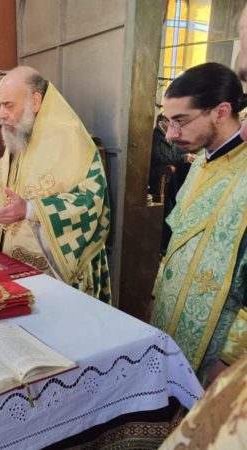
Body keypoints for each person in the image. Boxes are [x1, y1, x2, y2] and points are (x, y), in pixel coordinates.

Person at [0, 66, 111, 302]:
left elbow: (90, 204)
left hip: (57, 273)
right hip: (13, 264)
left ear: (35, 101)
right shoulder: (21, 136)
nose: (1, 114)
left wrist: (30, 210)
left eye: (8, 105)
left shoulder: (74, 143)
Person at [149, 62, 247, 387]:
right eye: (168, 122)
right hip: (173, 318)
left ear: (221, 112)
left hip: (221, 347)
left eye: (181, 121)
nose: (170, 134)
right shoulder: (202, 161)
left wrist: (232, 357)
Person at [149, 113, 198, 254]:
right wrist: (182, 158)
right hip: (157, 182)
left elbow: (176, 153)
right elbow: (160, 157)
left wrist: (189, 153)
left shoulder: (169, 137)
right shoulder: (155, 137)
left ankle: (167, 246)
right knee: (167, 213)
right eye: (170, 121)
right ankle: (162, 248)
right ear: (161, 123)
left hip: (171, 183)